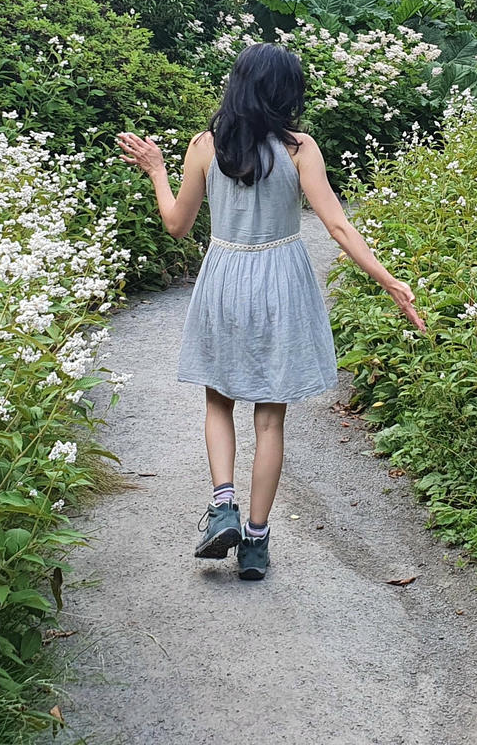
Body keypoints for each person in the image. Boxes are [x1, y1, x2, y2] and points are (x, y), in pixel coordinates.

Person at [116, 43, 426, 580]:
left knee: (218, 399)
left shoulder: (204, 148)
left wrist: (157, 170)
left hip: (225, 279)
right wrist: (389, 280)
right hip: (281, 281)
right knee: (270, 418)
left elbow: (176, 225)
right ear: (287, 92)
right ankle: (255, 542)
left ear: (236, 85)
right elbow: (338, 226)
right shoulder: (300, 148)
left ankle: (222, 507)